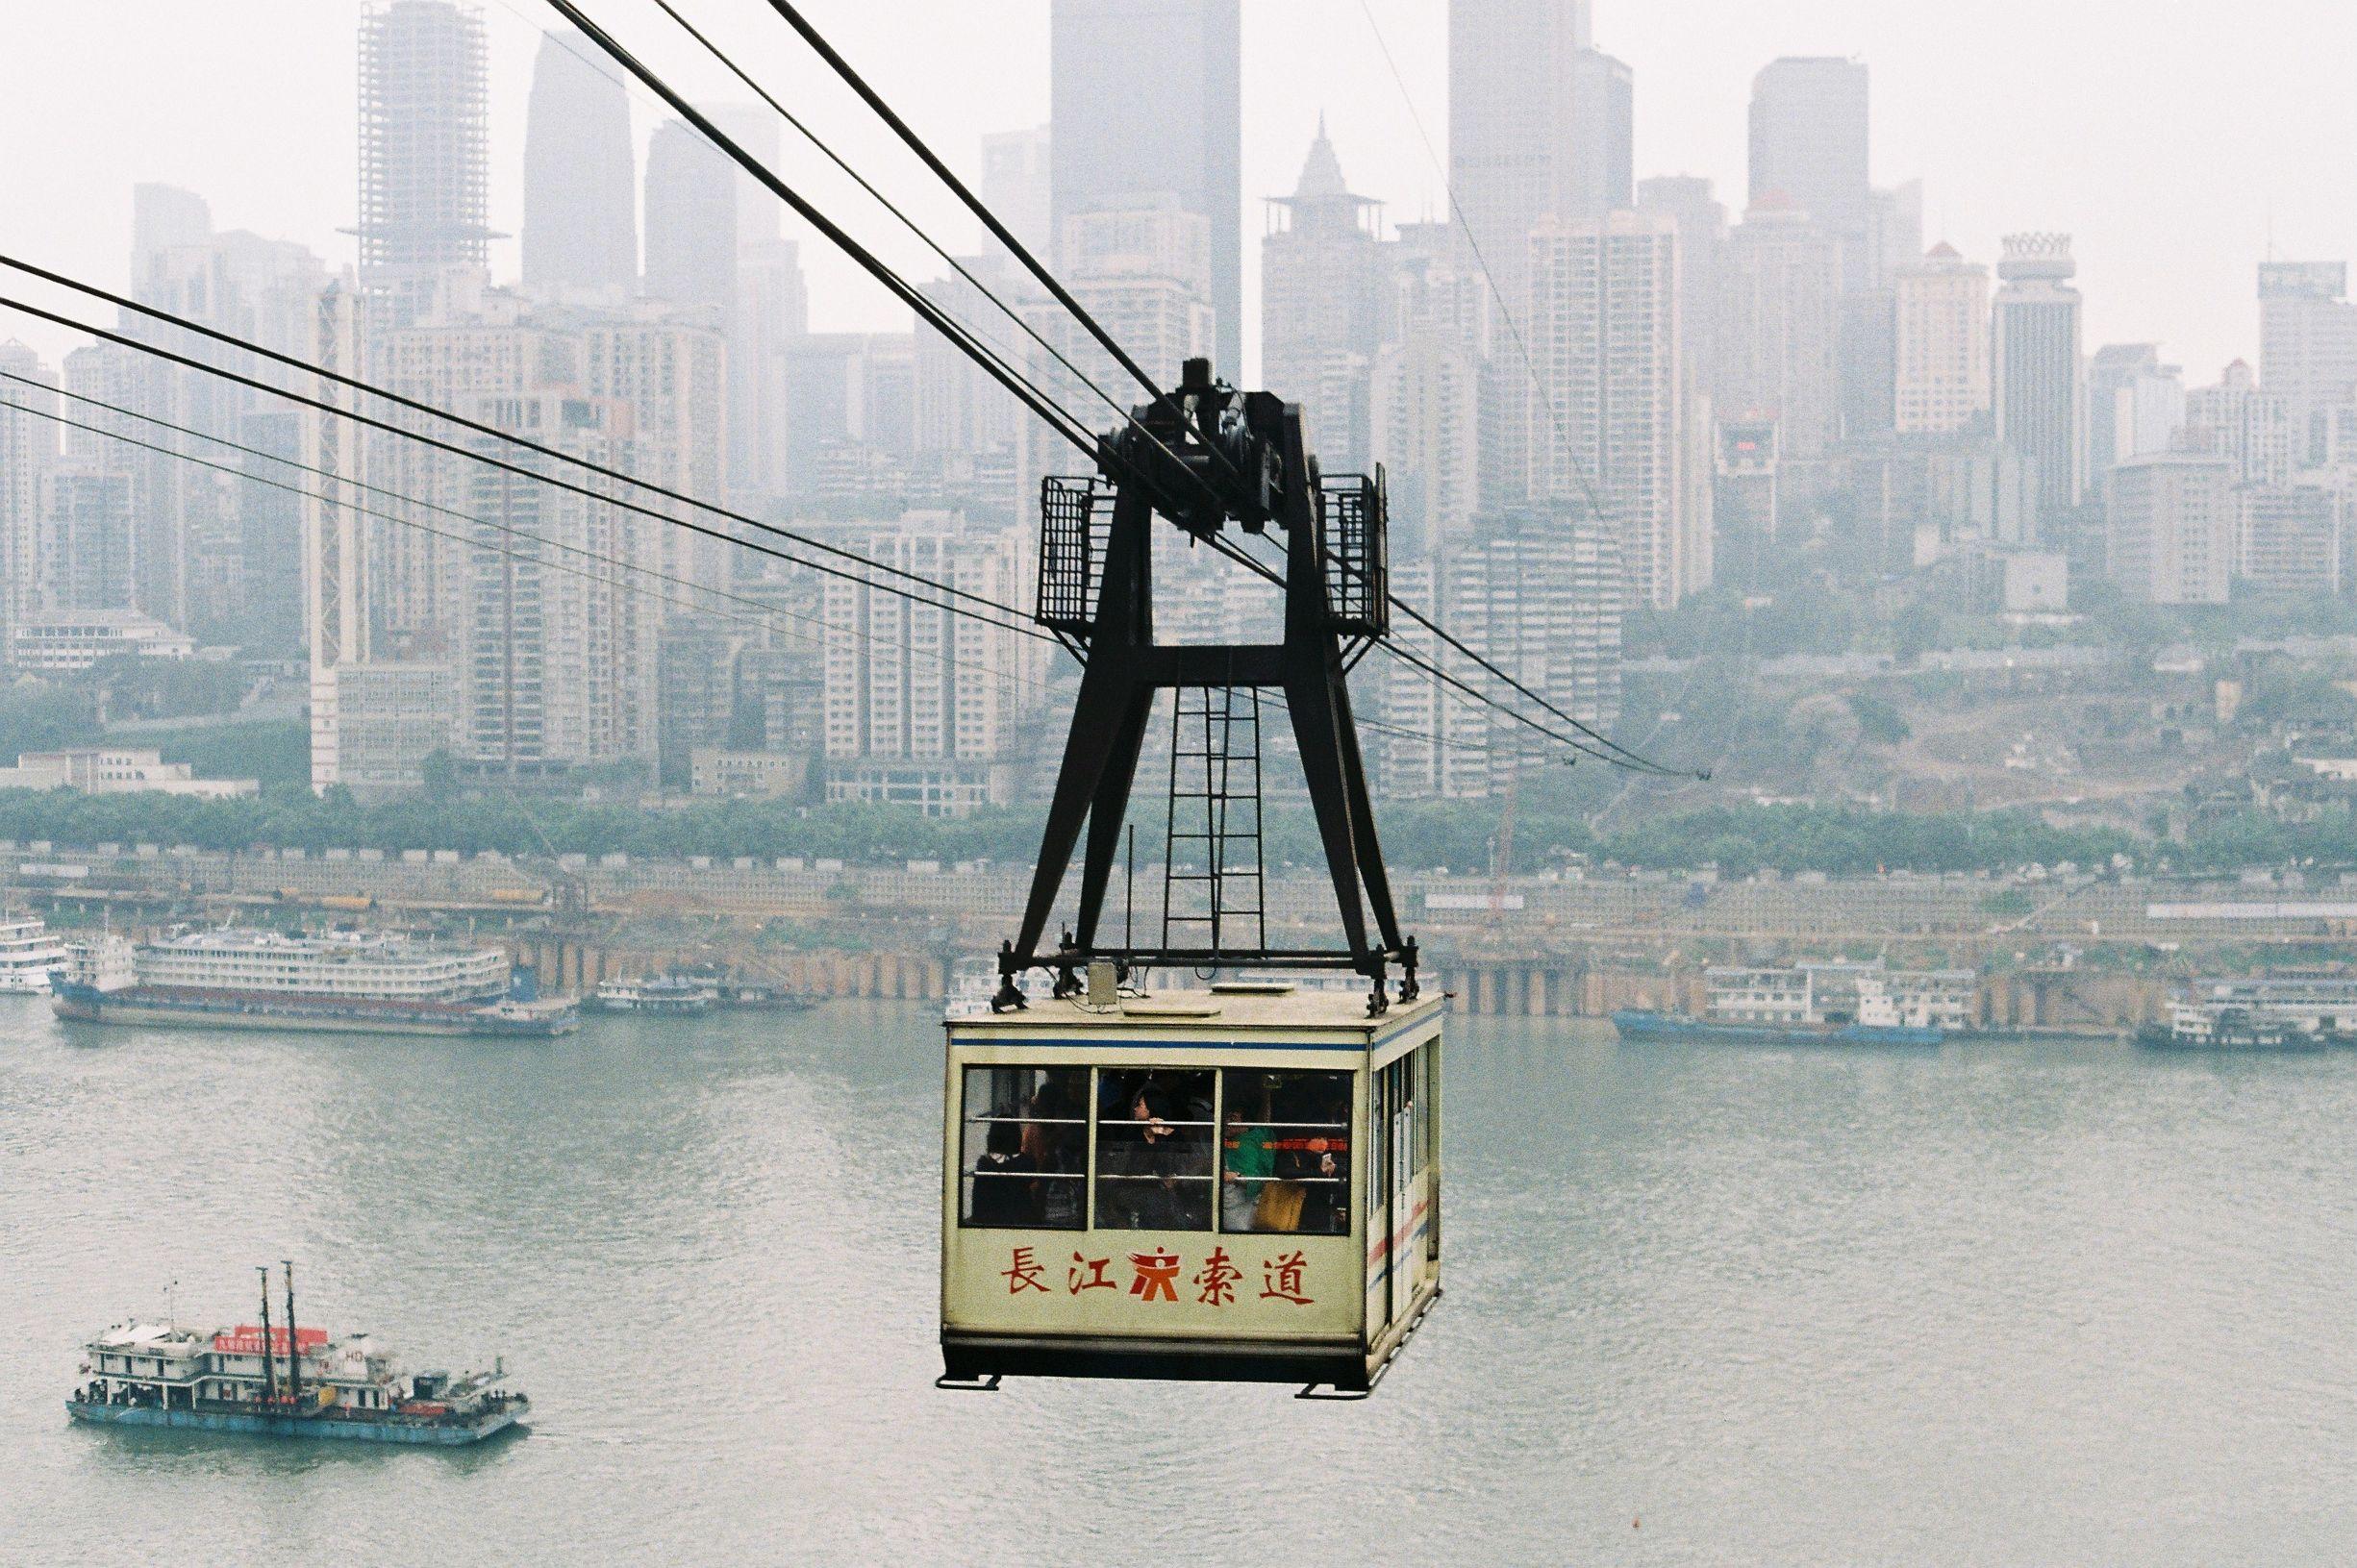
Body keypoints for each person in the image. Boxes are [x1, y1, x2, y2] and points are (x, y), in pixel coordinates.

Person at [968, 1116, 1040, 1226]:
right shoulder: (1027, 1162)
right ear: (1017, 1137)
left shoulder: (984, 1163)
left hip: (992, 1218)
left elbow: (978, 1200)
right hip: (1022, 1218)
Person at [1221, 1102, 1273, 1231]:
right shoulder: (1236, 1140)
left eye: (1232, 1119)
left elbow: (1256, 1178)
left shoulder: (1247, 1144)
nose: (1227, 1123)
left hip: (1238, 1207)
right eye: (1226, 1118)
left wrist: (1238, 1177)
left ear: (1245, 1123)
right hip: (1227, 1202)